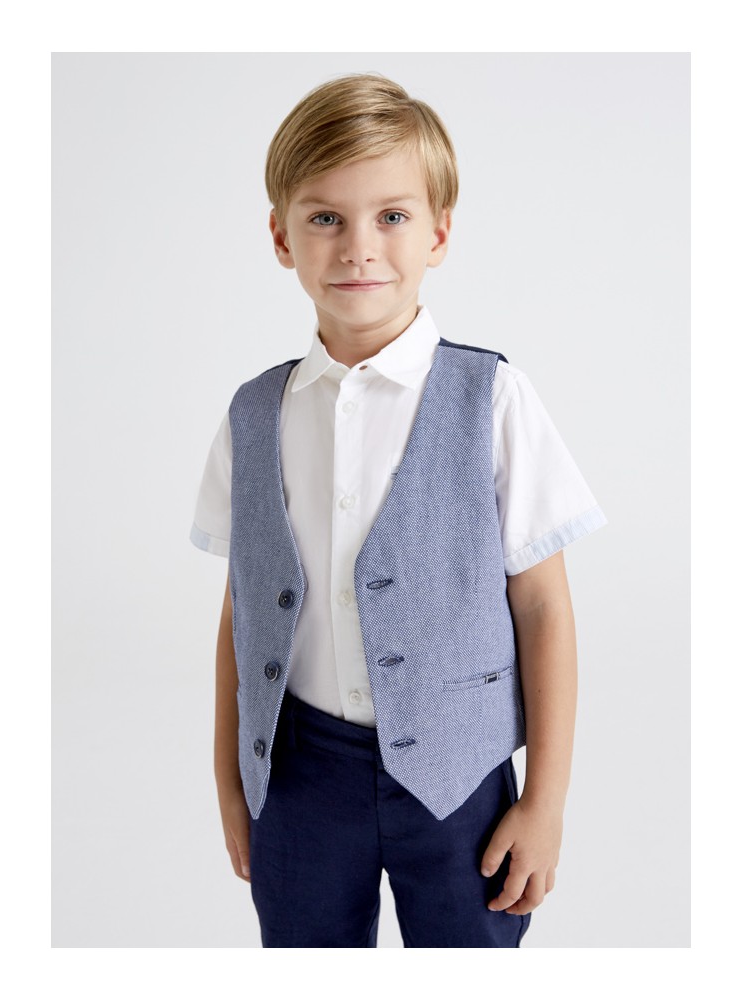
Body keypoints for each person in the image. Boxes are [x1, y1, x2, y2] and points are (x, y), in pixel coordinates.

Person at [189, 72, 607, 948]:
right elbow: (242, 611)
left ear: (438, 233)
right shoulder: (254, 414)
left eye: (391, 216)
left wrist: (546, 802)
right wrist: (232, 784)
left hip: (460, 781)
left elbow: (543, 607)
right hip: (299, 779)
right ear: (281, 237)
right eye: (325, 218)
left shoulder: (492, 398)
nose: (358, 248)